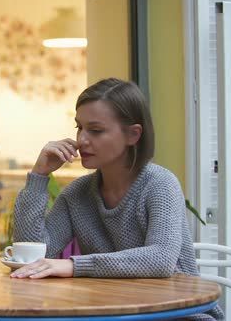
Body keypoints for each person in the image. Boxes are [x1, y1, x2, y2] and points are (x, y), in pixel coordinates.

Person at [12, 78, 223, 320]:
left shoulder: (160, 184)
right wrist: (39, 175)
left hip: (177, 317)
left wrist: (74, 265)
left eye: (96, 130)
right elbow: (32, 254)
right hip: (113, 315)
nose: (81, 140)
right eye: (79, 127)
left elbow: (161, 259)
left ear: (133, 135)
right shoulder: (78, 194)